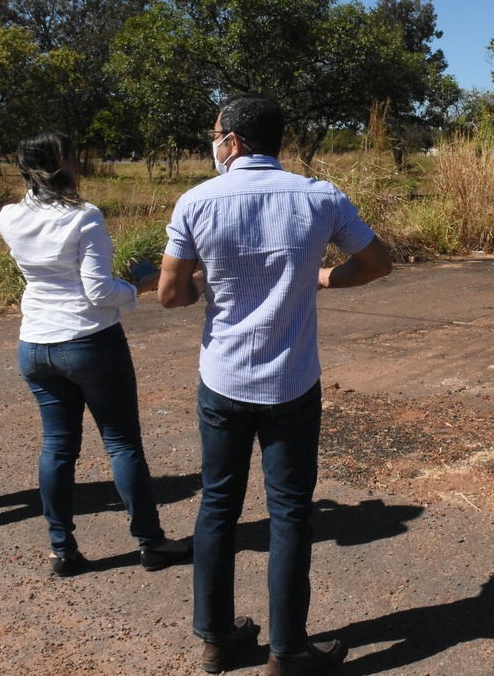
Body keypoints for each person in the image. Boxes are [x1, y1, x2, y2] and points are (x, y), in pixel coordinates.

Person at [159, 94, 392, 675]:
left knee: (218, 506)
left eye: (215, 133)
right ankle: (289, 652)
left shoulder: (196, 202)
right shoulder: (320, 197)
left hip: (224, 379)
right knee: (290, 513)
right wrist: (323, 278)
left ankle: (215, 639)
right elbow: (377, 263)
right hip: (291, 380)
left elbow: (170, 293)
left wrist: (200, 290)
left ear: (232, 141)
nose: (213, 142)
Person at [0, 130, 189, 577]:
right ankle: (150, 541)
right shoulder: (84, 216)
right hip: (88, 340)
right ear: (62, 162)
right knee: (121, 443)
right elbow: (99, 291)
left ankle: (61, 549)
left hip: (36, 343)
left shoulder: (9, 217)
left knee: (57, 447)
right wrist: (137, 287)